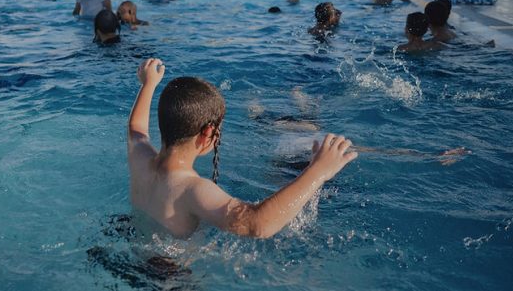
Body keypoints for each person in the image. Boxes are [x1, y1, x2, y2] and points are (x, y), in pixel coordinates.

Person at [127, 58, 358, 238]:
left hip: (137, 252)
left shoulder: (141, 159)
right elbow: (257, 225)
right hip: (171, 277)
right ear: (208, 133)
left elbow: (136, 128)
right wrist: (318, 171)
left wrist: (148, 85)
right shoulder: (191, 189)